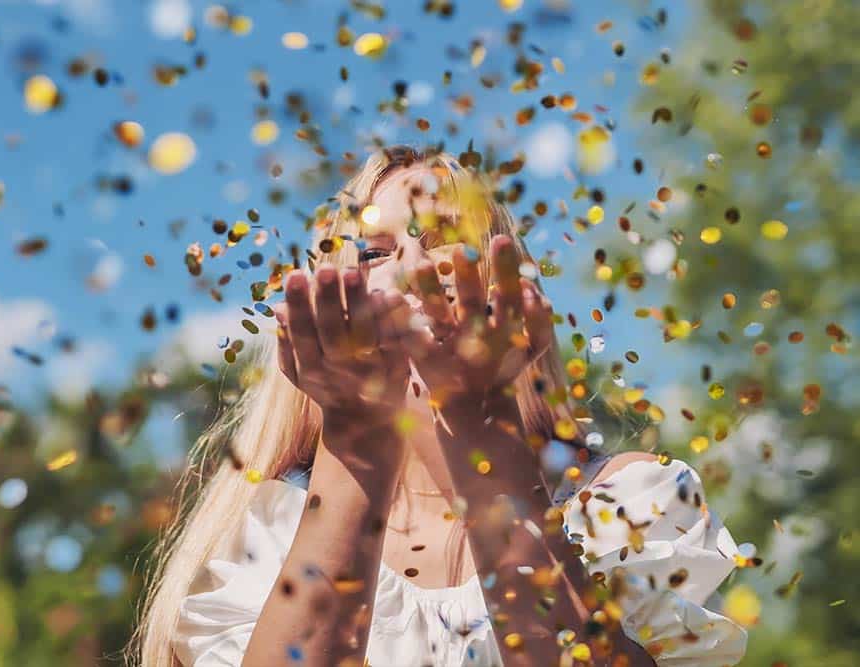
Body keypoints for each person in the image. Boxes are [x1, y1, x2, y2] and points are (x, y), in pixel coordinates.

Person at [133, 146, 748, 667]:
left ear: (510, 287)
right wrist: (355, 435)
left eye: (447, 240)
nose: (413, 267)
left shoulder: (625, 507)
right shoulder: (271, 534)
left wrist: (478, 427)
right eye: (373, 252)